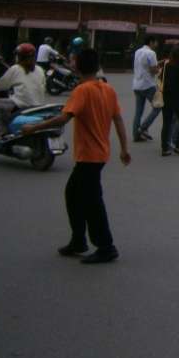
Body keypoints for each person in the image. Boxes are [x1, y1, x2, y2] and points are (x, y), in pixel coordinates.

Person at [21, 48, 131, 264]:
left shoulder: (82, 90)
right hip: (99, 154)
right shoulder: (107, 89)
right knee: (74, 195)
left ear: (78, 66)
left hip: (89, 156)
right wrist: (124, 148)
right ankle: (78, 240)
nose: (71, 63)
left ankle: (106, 246)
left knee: (91, 202)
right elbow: (117, 119)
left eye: (74, 60)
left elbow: (63, 118)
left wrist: (33, 128)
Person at [0, 43, 46, 134]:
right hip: (39, 106)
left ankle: (3, 132)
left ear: (19, 57)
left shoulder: (16, 69)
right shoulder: (40, 69)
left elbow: (1, 86)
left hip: (23, 106)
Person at [131, 35, 161, 143]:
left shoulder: (138, 51)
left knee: (138, 111)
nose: (157, 44)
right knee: (158, 107)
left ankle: (136, 135)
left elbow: (143, 66)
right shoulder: (151, 53)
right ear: (151, 42)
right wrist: (158, 69)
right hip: (148, 84)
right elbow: (153, 70)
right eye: (156, 42)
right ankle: (143, 128)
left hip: (137, 84)